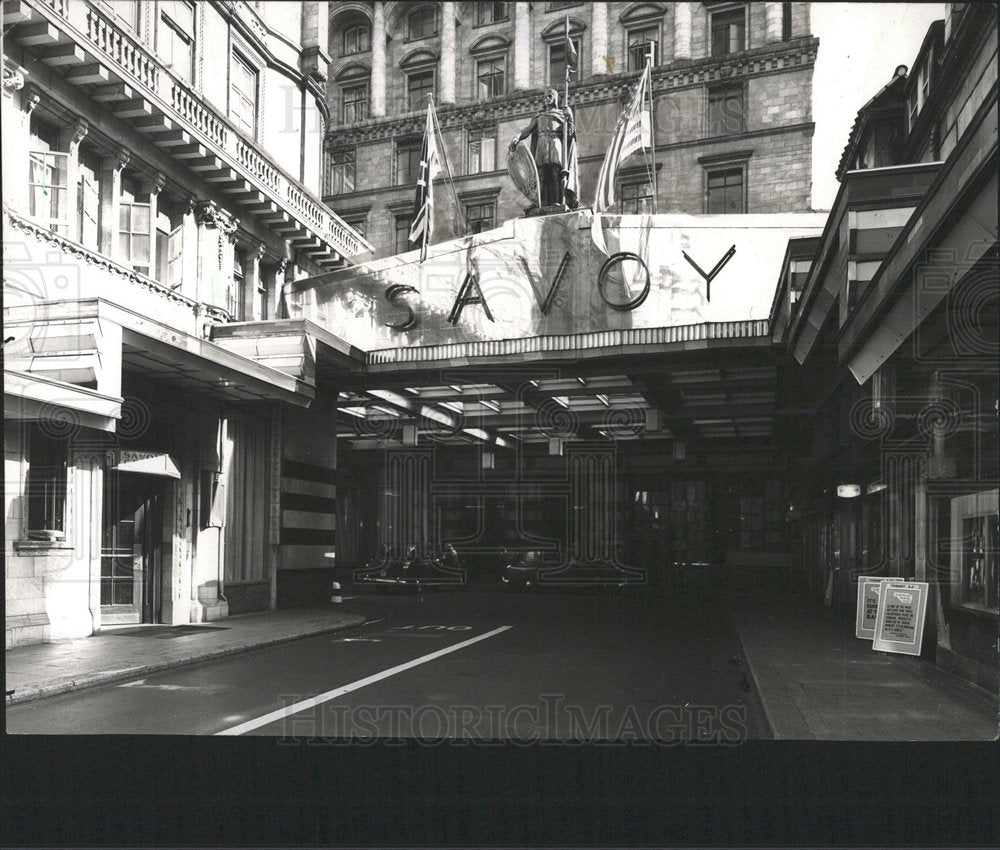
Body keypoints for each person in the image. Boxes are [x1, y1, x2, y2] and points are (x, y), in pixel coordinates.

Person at [510, 88, 577, 208]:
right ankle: (539, 203)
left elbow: (570, 134)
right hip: (541, 144)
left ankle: (557, 201)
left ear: (555, 99)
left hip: (555, 143)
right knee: (540, 175)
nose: (547, 99)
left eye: (550, 96)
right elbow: (527, 130)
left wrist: (570, 118)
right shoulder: (539, 117)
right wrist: (517, 137)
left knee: (555, 173)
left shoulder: (561, 115)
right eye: (545, 96)